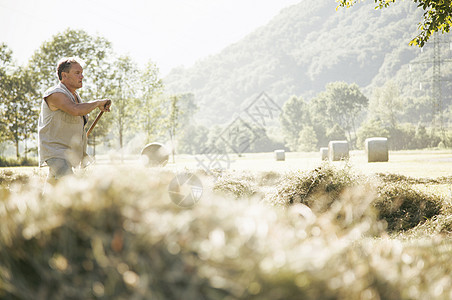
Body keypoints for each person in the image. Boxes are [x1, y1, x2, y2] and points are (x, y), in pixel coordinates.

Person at [38, 57, 111, 182]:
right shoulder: (55, 94)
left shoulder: (75, 96)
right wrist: (97, 103)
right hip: (56, 153)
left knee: (52, 191)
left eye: (82, 73)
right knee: (71, 186)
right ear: (64, 75)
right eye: (77, 73)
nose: (82, 76)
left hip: (68, 153)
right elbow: (75, 110)